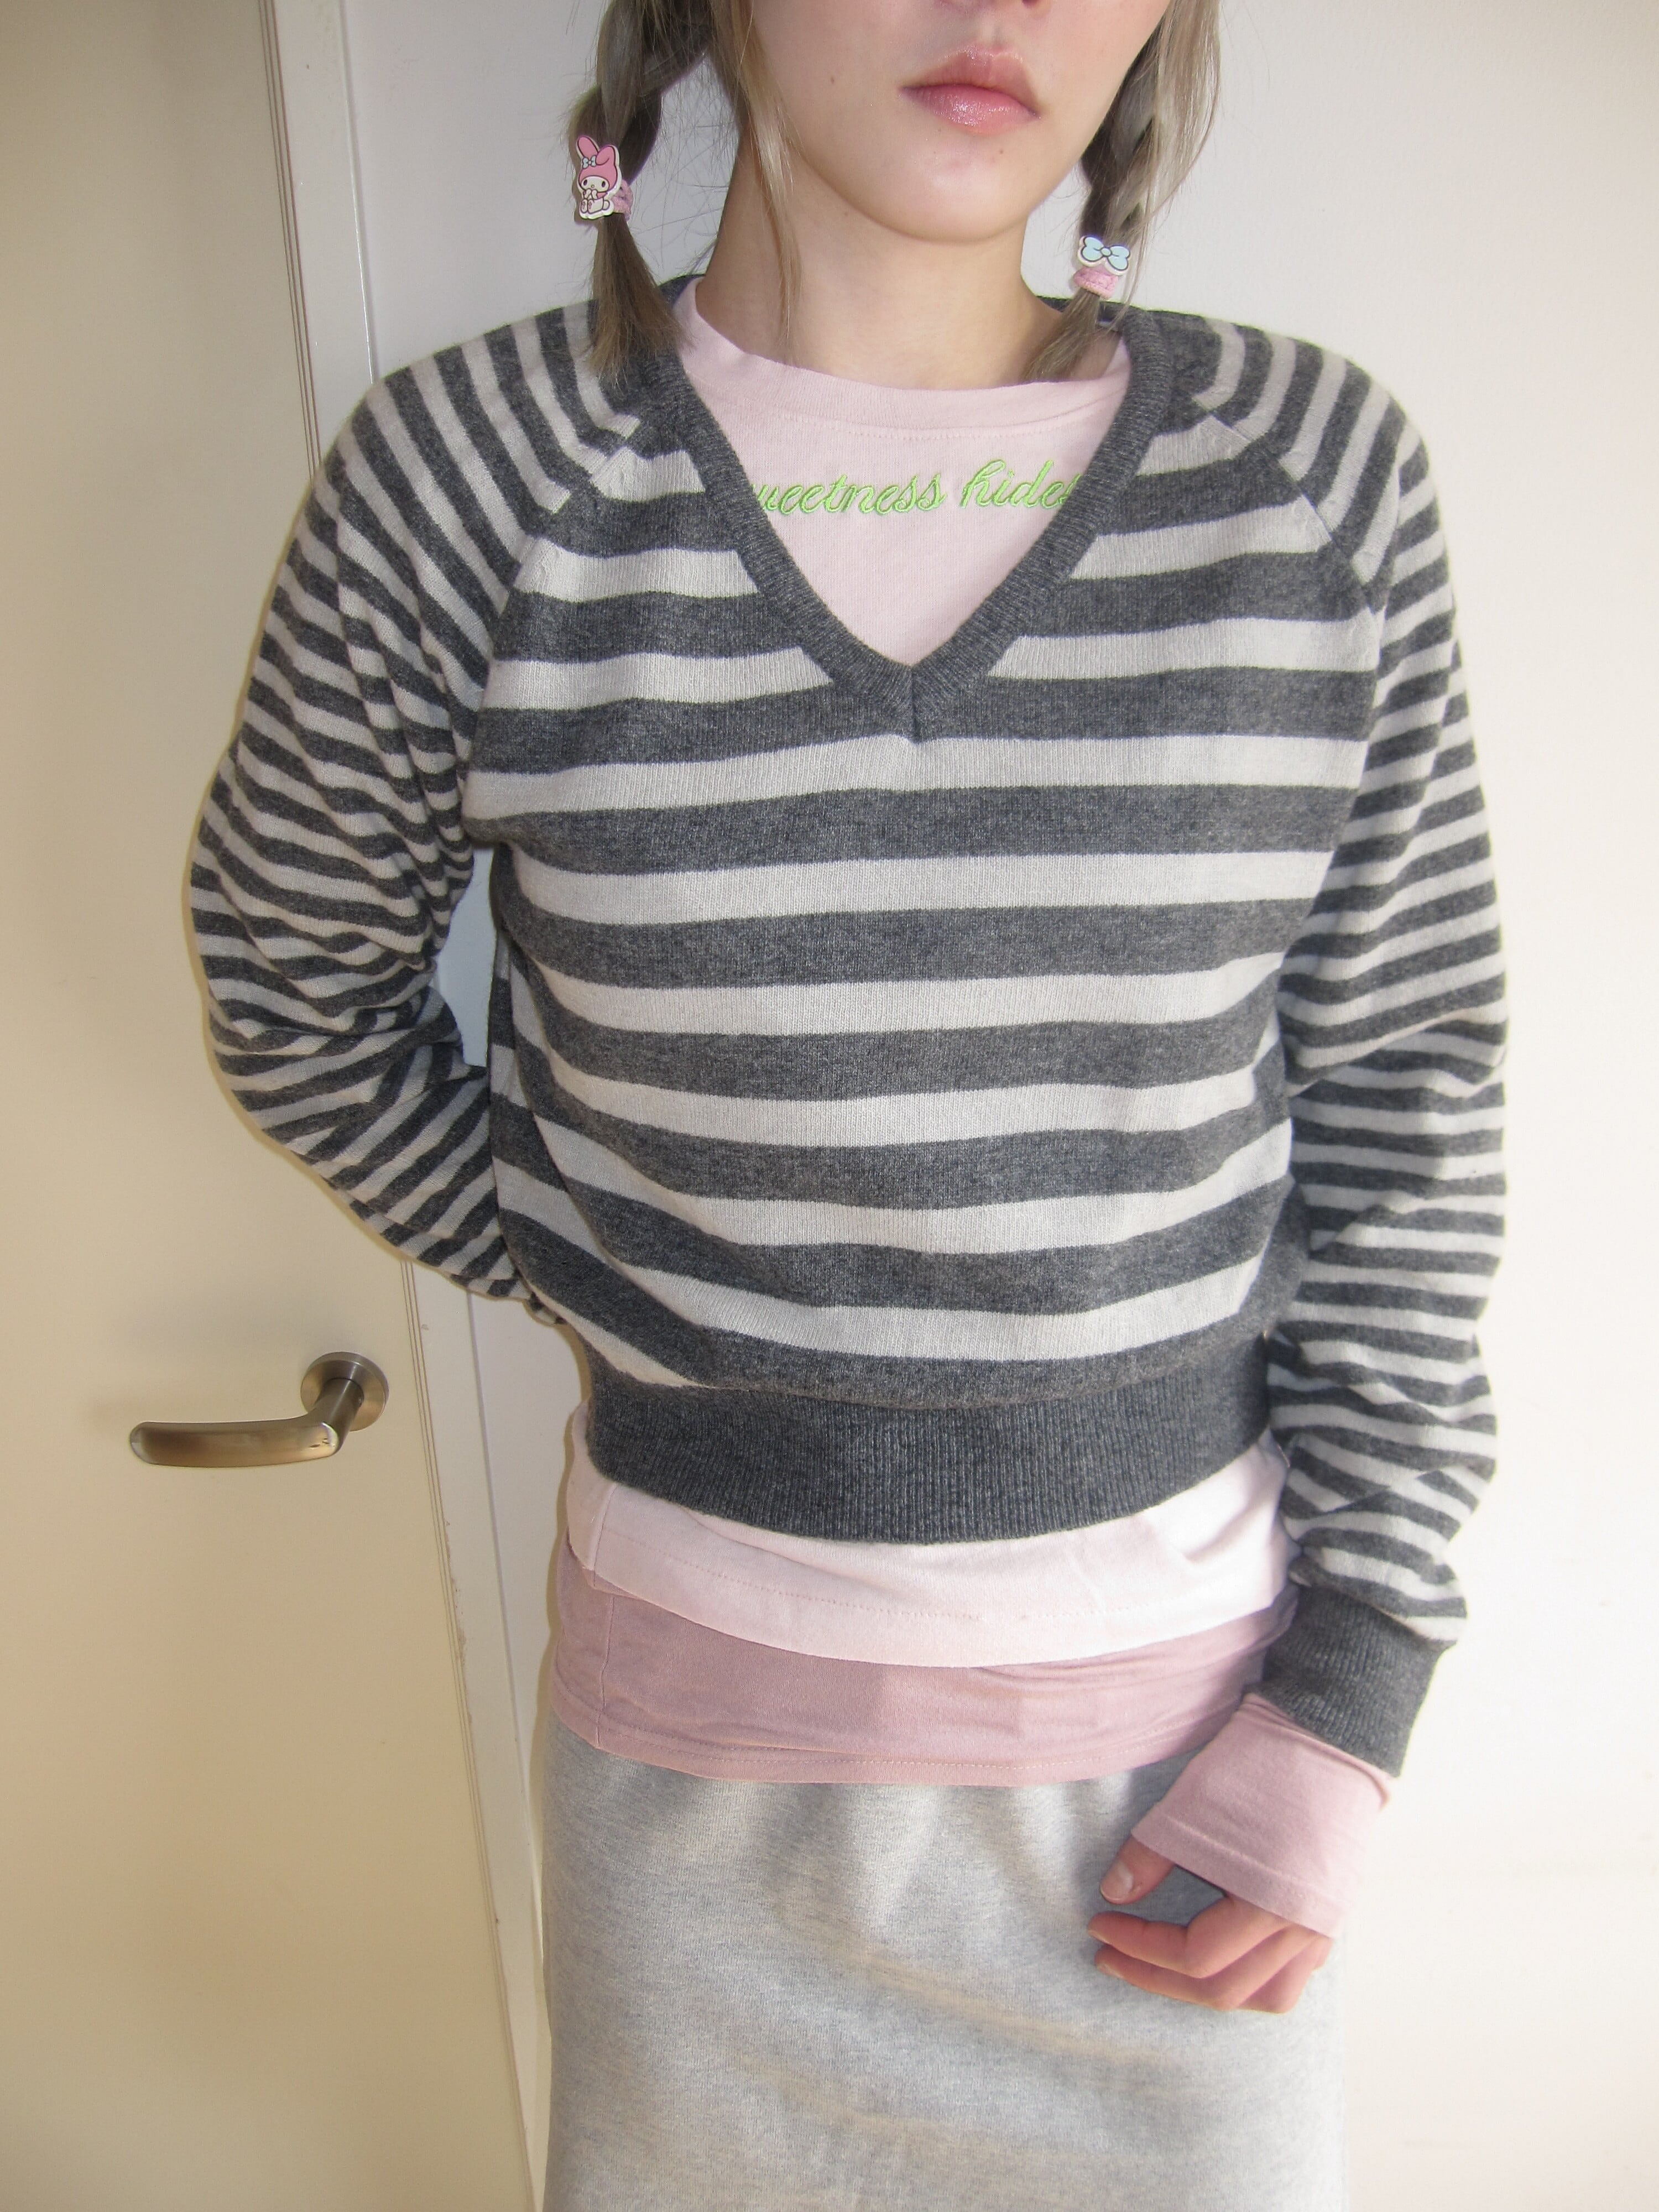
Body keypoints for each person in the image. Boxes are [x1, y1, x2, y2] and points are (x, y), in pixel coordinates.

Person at [189, 1, 1505, 2203]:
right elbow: (294, 989)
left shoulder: (1307, 474)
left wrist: (1363, 1680)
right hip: (701, 1802)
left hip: (1200, 1790)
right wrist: (640, 1271)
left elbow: (1406, 1093)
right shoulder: (473, 476)